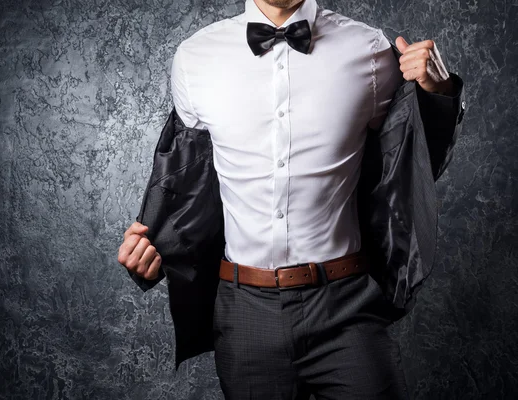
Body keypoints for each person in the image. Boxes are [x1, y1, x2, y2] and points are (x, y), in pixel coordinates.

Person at [118, 0, 464, 398]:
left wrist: (438, 93)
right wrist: (151, 248)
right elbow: (185, 181)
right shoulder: (195, 59)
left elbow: (411, 163)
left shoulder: (370, 51)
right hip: (246, 313)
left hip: (347, 306)